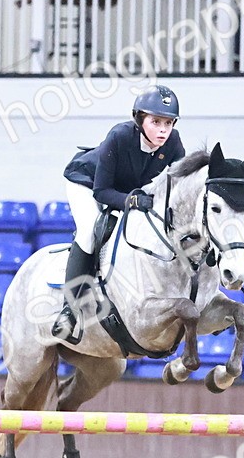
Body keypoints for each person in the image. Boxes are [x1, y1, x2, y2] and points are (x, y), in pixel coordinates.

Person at [51, 84, 186, 343]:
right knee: (90, 230)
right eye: (156, 121)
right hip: (86, 182)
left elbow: (179, 184)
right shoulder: (120, 136)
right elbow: (102, 192)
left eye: (168, 123)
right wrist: (132, 200)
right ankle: (69, 311)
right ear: (139, 119)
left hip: (125, 189)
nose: (162, 130)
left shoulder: (174, 143)